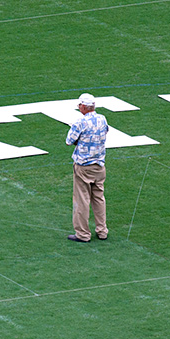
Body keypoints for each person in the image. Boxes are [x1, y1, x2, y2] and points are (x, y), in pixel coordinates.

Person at [66, 93, 108, 242]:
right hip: (99, 165)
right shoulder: (103, 119)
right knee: (98, 198)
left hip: (83, 166)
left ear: (83, 106)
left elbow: (69, 140)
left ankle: (83, 234)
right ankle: (102, 231)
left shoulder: (80, 122)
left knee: (82, 200)